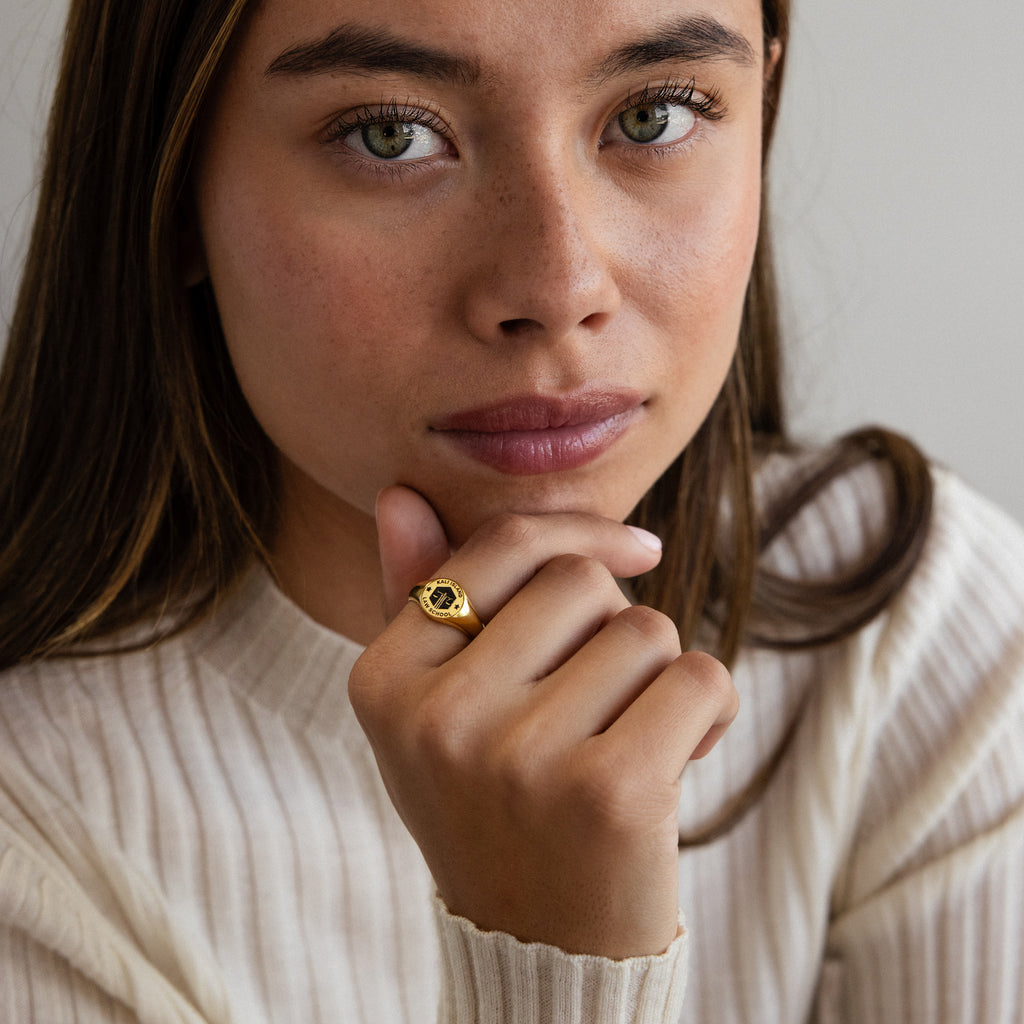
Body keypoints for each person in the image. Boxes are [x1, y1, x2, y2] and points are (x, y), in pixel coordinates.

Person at [1, 0, 1022, 1019]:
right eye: (388, 135)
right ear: (170, 180)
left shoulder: (928, 641)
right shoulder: (28, 828)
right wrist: (558, 959)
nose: (556, 281)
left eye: (656, 115)